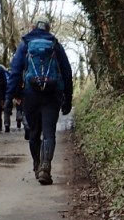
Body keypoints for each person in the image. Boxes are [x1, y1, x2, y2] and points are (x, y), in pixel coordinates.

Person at [5, 18, 73, 185]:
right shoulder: (55, 44)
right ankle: (45, 166)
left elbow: (15, 71)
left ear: (33, 28)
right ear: (48, 28)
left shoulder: (25, 44)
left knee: (34, 133)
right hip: (52, 94)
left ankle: (37, 165)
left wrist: (11, 96)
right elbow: (66, 71)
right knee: (49, 132)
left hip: (30, 95)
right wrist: (68, 99)